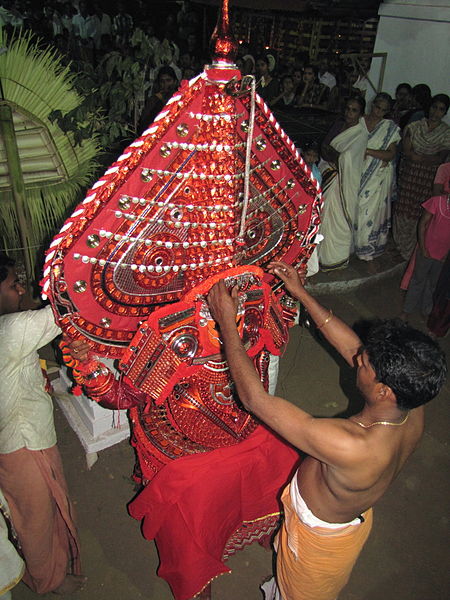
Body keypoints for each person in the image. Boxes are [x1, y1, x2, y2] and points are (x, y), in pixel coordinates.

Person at [206, 261, 447, 600]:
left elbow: (254, 399)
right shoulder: (412, 401)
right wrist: (302, 293)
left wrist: (226, 322)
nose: (356, 359)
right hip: (334, 517)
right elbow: (351, 348)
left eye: (364, 364)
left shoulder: (352, 445)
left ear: (383, 391)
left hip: (316, 544)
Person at [0, 253, 84, 595]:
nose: (20, 289)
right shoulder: (11, 331)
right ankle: (47, 581)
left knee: (39, 511)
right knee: (36, 519)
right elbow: (67, 313)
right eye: (11, 284)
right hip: (25, 443)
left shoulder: (9, 328)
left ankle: (52, 570)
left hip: (16, 441)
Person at [393, 94, 450, 260]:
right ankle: (398, 246)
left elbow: (441, 157)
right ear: (429, 107)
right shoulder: (414, 127)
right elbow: (407, 151)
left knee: (419, 212)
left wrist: (420, 157)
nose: (436, 112)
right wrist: (423, 158)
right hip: (409, 175)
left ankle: (409, 251)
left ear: (445, 113)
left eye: (441, 109)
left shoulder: (446, 133)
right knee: (402, 209)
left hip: (428, 179)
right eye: (434, 107)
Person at [318, 95, 368, 270]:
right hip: (329, 176)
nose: (349, 113)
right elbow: (324, 147)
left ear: (360, 113)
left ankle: (335, 258)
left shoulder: (361, 134)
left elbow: (346, 158)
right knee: (323, 216)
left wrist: (334, 154)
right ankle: (320, 255)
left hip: (343, 182)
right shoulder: (339, 125)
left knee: (338, 218)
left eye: (354, 110)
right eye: (347, 108)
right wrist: (333, 155)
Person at [355, 93, 400, 262]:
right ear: (371, 104)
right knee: (354, 210)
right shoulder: (359, 121)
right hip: (356, 173)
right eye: (377, 107)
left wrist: (367, 151)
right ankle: (352, 246)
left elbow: (390, 154)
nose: (378, 112)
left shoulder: (389, 128)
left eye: (383, 110)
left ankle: (366, 249)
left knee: (369, 215)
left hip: (376, 178)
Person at [400, 192, 450, 320]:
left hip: (442, 254)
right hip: (426, 249)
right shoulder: (437, 201)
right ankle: (407, 309)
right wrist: (422, 247)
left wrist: (447, 254)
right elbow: (422, 224)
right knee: (418, 279)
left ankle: (426, 310)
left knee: (433, 284)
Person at [138, 66, 178, 134]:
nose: (165, 84)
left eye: (168, 80)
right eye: (162, 81)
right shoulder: (154, 100)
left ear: (175, 81)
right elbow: (145, 122)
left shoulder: (180, 98)